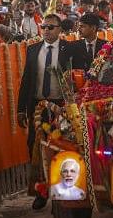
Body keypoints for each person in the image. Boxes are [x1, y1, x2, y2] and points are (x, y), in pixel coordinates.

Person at [17, 14, 70, 210]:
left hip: (62, 108)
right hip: (37, 107)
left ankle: (63, 191)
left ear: (59, 30)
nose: (46, 30)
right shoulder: (32, 50)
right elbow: (26, 81)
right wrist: (21, 109)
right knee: (36, 148)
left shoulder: (69, 49)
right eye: (44, 27)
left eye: (51, 27)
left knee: (61, 147)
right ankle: (41, 192)